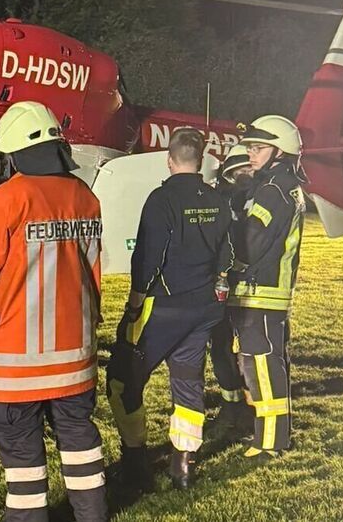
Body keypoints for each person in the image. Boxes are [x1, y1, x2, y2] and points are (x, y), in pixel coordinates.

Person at [0, 101, 107, 522]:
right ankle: (92, 515)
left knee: (22, 451)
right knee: (80, 440)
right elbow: (93, 269)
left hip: (14, 359)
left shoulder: (5, 200)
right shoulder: (85, 196)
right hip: (74, 357)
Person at [106, 128, 233, 490]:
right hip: (203, 309)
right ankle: (184, 466)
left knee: (122, 380)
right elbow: (227, 254)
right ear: (201, 159)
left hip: (161, 308)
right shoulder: (217, 199)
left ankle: (135, 463)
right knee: (188, 383)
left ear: (169, 159)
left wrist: (134, 301)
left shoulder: (160, 199)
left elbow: (148, 256)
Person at [230, 115, 306, 461]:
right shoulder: (280, 185)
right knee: (268, 363)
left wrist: (225, 240)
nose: (251, 154)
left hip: (261, 292)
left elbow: (249, 243)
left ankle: (270, 443)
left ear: (280, 152)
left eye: (258, 148)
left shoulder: (272, 191)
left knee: (262, 365)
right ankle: (270, 434)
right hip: (269, 293)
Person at [206, 144, 256, 439]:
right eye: (242, 170)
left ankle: (250, 410)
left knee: (249, 351)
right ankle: (232, 405)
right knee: (221, 347)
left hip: (250, 287)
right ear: (229, 171)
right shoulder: (222, 200)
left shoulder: (262, 198)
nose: (247, 174)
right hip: (225, 285)